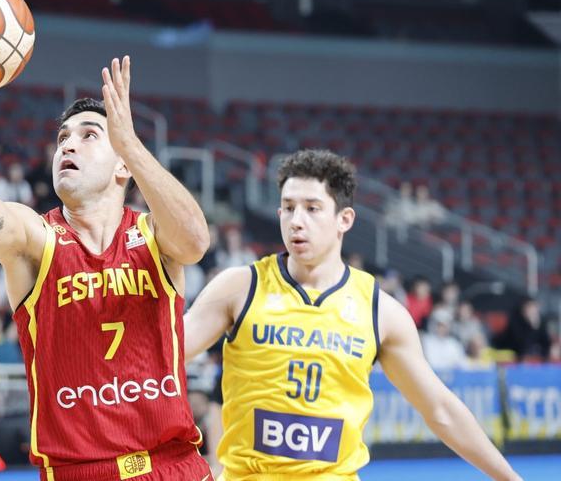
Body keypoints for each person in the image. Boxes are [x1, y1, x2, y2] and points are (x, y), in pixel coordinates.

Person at [0, 5, 212, 481]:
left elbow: (196, 242)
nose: (67, 145)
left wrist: (130, 143)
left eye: (89, 135)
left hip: (172, 466)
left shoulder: (154, 235)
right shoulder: (36, 238)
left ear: (122, 168)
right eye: (62, 138)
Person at [183, 150, 521, 481]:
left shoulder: (380, 310)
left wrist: (508, 478)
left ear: (344, 219)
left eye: (312, 208)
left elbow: (440, 409)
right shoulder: (240, 287)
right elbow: (161, 355)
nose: (297, 220)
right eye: (288, 208)